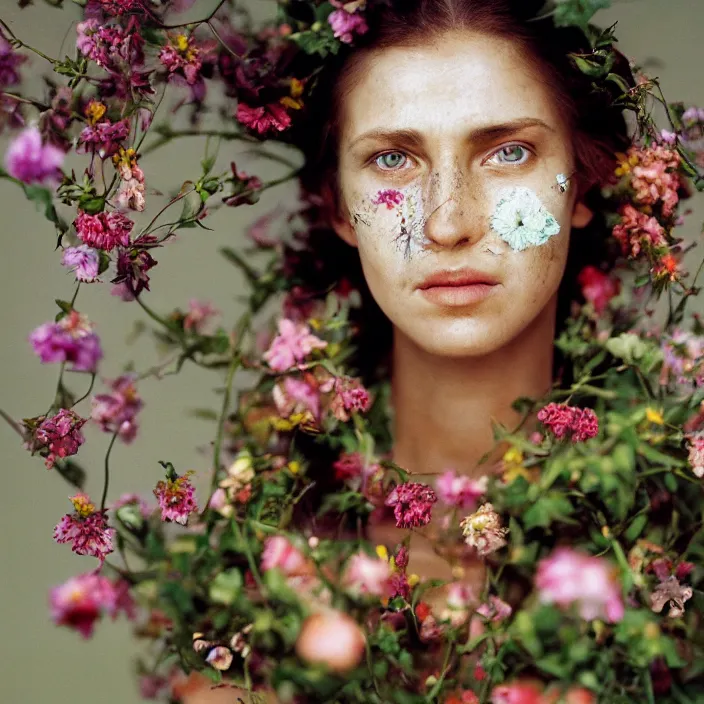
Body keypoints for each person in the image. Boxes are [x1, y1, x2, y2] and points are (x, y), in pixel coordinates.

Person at [180, 0, 633, 701]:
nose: (448, 221)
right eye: (392, 158)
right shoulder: (252, 575)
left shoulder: (673, 544)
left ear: (585, 177)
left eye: (508, 151)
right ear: (337, 205)